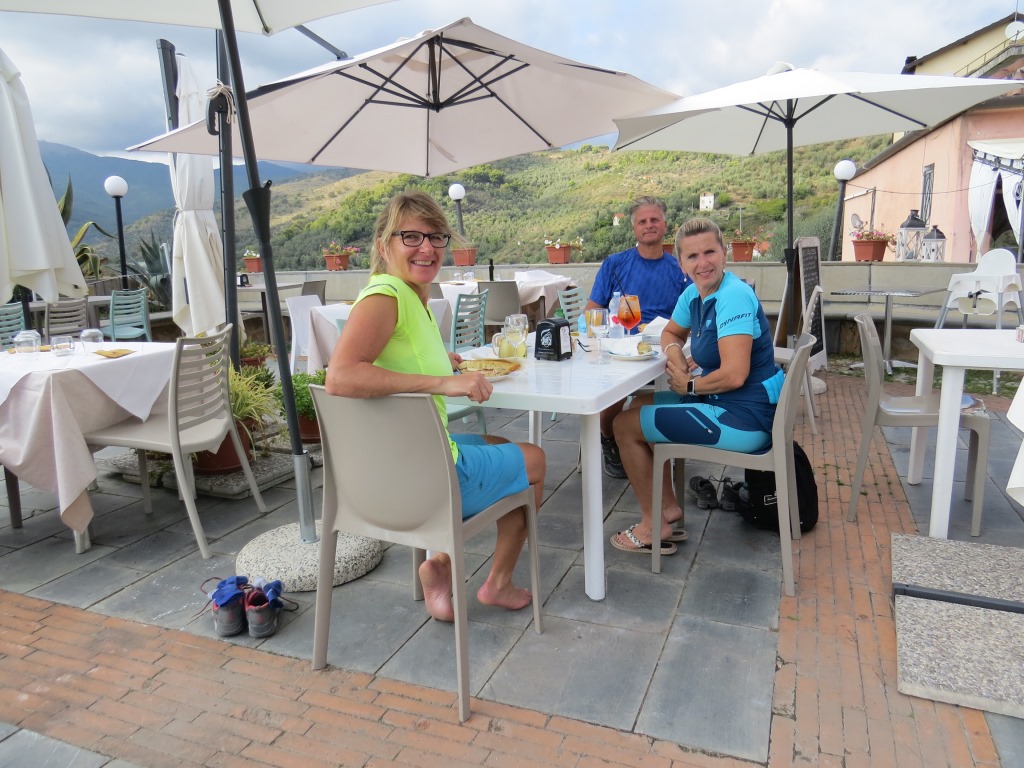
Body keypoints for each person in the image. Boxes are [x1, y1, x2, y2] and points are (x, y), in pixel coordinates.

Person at [326, 190, 546, 621]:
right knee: (535, 460)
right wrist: (445, 382)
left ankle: (442, 561)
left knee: (497, 439)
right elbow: (341, 376)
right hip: (421, 482)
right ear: (383, 244)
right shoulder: (386, 296)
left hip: (386, 471)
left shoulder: (409, 296)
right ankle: (496, 582)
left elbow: (394, 360)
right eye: (410, 236)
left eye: (436, 237)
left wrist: (442, 361)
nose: (427, 247)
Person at [609, 217, 784, 555]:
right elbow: (670, 333)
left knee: (624, 424)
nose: (702, 263)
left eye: (710, 252)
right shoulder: (695, 294)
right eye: (692, 256)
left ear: (724, 254)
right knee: (638, 405)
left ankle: (652, 524)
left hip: (743, 419)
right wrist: (676, 357)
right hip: (726, 402)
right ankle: (668, 507)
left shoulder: (733, 296)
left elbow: (734, 375)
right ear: (681, 263)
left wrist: (689, 386)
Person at [584, 196, 692, 478]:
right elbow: (592, 311)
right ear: (634, 229)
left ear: (665, 225)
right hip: (621, 344)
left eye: (654, 220)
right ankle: (608, 438)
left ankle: (663, 443)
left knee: (683, 381)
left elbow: (693, 311)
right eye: (642, 221)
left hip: (663, 347)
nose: (649, 225)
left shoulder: (679, 269)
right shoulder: (615, 264)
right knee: (614, 391)